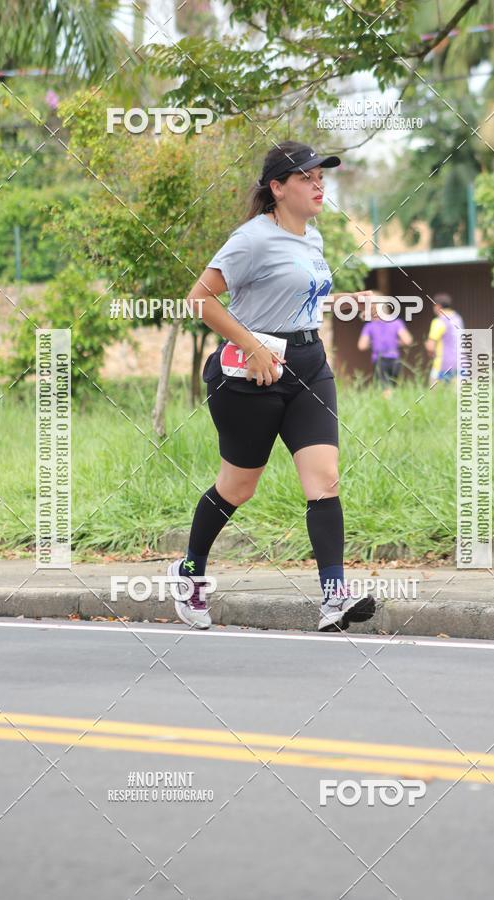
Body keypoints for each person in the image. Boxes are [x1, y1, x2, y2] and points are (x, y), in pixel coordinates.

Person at [167, 140, 377, 632]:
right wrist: (254, 347)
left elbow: (295, 300)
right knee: (238, 487)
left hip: (308, 366)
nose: (318, 185)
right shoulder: (252, 239)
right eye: (306, 178)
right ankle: (190, 572)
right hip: (251, 374)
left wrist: (347, 299)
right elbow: (199, 300)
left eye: (321, 177)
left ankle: (334, 598)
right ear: (278, 188)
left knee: (324, 479)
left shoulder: (313, 238)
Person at [357, 299, 412, 396]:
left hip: (380, 360)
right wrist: (395, 342)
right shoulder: (396, 322)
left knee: (384, 389)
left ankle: (387, 404)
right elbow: (407, 340)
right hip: (395, 359)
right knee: (395, 388)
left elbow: (361, 346)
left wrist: (373, 343)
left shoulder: (370, 326)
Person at [426, 292, 464, 385]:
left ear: (438, 306)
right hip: (461, 363)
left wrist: (432, 354)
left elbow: (430, 346)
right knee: (456, 393)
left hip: (442, 365)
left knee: (435, 391)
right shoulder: (458, 319)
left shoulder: (439, 321)